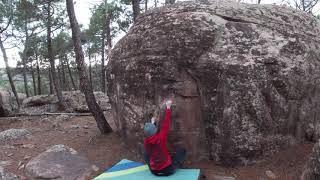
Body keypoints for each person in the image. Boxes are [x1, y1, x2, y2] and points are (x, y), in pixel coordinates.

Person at [143, 99, 186, 176]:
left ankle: (158, 165)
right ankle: (176, 166)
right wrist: (168, 108)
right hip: (167, 170)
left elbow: (150, 135)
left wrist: (152, 124)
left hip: (154, 171)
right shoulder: (160, 138)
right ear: (155, 131)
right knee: (182, 151)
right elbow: (166, 124)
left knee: (146, 153)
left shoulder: (146, 142)